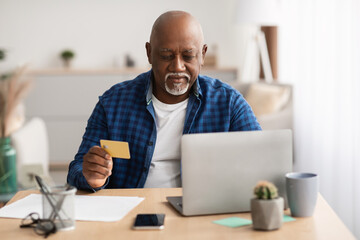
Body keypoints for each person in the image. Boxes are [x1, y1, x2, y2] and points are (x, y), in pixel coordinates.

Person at [67, 11, 261, 192]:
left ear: (202, 54)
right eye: (166, 56)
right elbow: (76, 169)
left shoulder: (228, 103)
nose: (178, 66)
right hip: (131, 214)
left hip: (203, 214)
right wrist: (91, 176)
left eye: (188, 56)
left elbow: (261, 161)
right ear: (149, 53)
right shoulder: (113, 103)